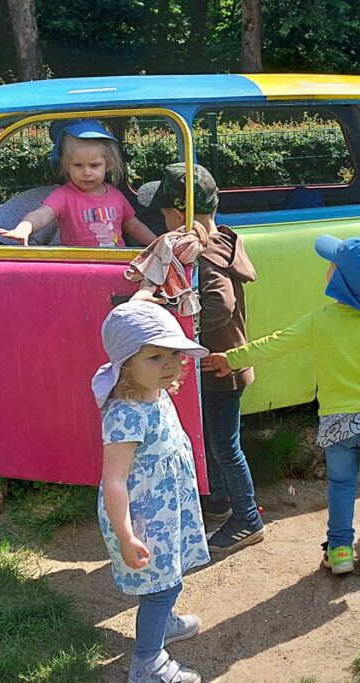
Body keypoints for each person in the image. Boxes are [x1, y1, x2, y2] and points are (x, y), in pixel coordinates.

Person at [202, 235, 360, 575]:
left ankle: (340, 550)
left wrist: (232, 358)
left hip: (337, 423)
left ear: (339, 280)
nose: (328, 268)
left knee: (343, 485)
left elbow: (276, 344)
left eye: (332, 264)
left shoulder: (320, 320)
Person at [133, 163, 265, 554]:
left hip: (218, 365)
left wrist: (182, 326)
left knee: (225, 446)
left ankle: (248, 518)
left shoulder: (203, 252)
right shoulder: (222, 240)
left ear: (178, 215)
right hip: (223, 363)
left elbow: (219, 304)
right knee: (213, 439)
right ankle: (220, 501)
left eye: (162, 216)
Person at [92, 301, 211, 683]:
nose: (170, 365)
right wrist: (127, 536)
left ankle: (162, 623)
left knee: (168, 576)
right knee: (163, 584)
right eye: (155, 356)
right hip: (143, 517)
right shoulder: (125, 413)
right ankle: (147, 662)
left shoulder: (155, 393)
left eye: (174, 353)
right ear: (126, 364)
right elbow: (113, 479)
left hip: (167, 508)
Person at [0, 120, 157, 248]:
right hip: (80, 267)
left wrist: (157, 242)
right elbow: (41, 214)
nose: (86, 172)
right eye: (78, 165)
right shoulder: (63, 196)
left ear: (107, 165)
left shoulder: (116, 196)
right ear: (66, 165)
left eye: (94, 166)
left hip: (115, 266)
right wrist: (25, 228)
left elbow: (134, 226)